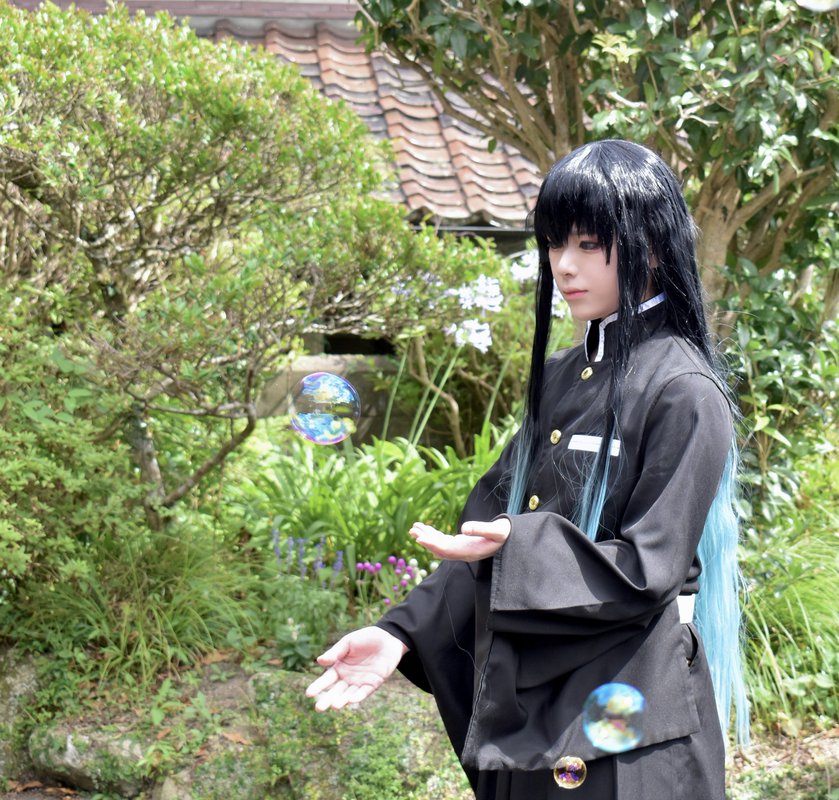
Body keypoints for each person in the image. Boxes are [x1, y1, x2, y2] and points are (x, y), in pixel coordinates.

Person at [305, 139, 748, 799]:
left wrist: (521, 540)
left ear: (653, 246)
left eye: (589, 244)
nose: (564, 265)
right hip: (538, 706)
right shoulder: (562, 376)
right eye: (553, 243)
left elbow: (647, 569)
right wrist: (400, 634)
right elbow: (488, 542)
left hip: (631, 725)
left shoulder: (684, 392)